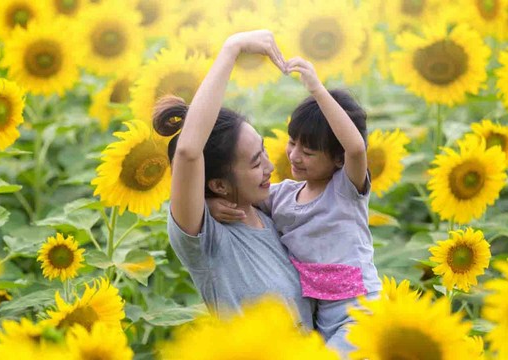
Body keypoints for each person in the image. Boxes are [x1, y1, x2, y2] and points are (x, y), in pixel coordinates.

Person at [210, 57, 380, 355]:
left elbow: (354, 147)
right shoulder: (283, 197)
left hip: (359, 311)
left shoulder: (345, 191)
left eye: (309, 151)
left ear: (338, 160)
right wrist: (211, 202)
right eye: (292, 143)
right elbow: (241, 192)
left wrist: (316, 89)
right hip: (321, 319)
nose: (294, 155)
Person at [153, 30, 313, 329]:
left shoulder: (277, 212)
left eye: (263, 151)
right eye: (255, 162)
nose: (269, 166)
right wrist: (232, 48)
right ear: (218, 185)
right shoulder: (209, 241)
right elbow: (189, 151)